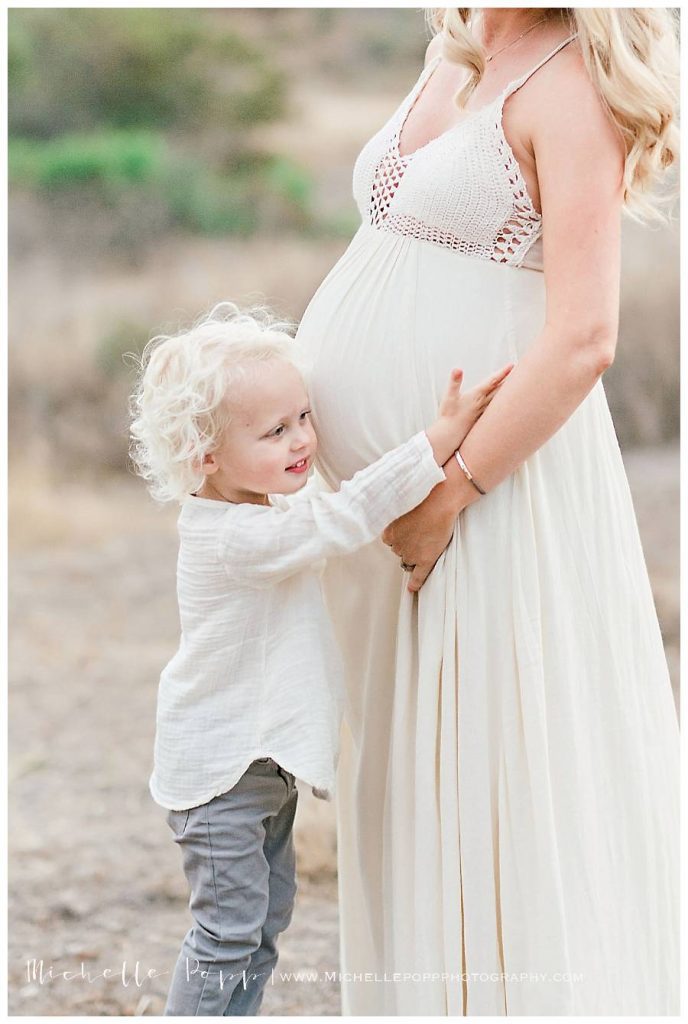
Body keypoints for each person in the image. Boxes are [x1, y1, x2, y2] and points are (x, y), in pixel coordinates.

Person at [293, 6, 680, 1016]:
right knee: (398, 783)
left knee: (486, 781)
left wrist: (448, 491)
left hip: (488, 494)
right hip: (379, 507)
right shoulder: (458, 46)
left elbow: (584, 335)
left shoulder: (572, 78)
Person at [128, 301, 512, 1015]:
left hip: (260, 766)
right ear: (205, 458)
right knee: (226, 933)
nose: (302, 439)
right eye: (275, 431)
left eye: (302, 417)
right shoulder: (230, 540)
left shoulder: (261, 510)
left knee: (263, 928)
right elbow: (344, 518)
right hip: (222, 776)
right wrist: (435, 444)